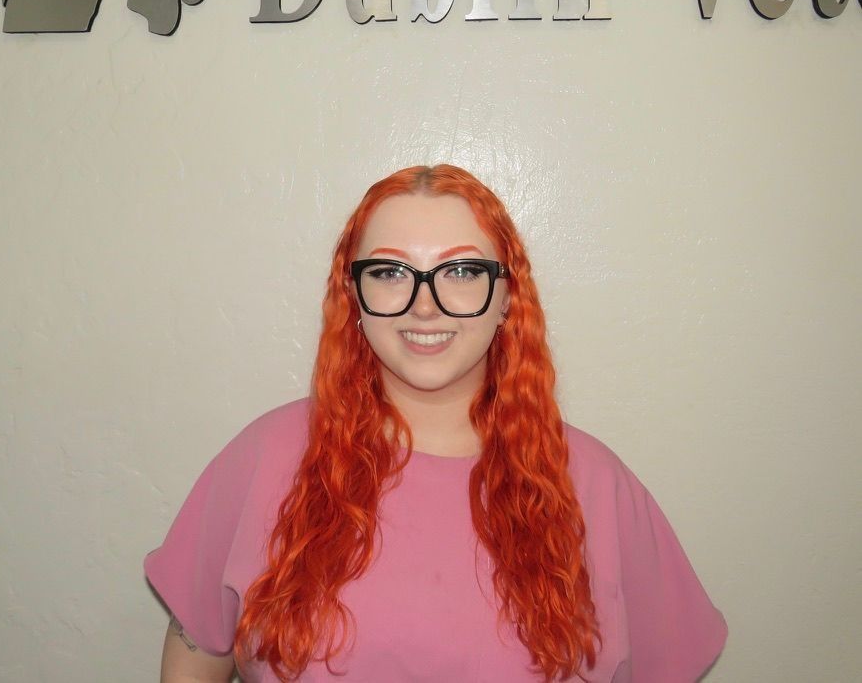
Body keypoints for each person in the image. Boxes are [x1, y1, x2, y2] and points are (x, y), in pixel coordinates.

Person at [145, 164, 727, 682]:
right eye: (392, 273)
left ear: (507, 298)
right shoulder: (263, 457)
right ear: (353, 293)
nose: (426, 305)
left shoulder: (596, 485)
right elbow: (197, 651)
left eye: (463, 271)